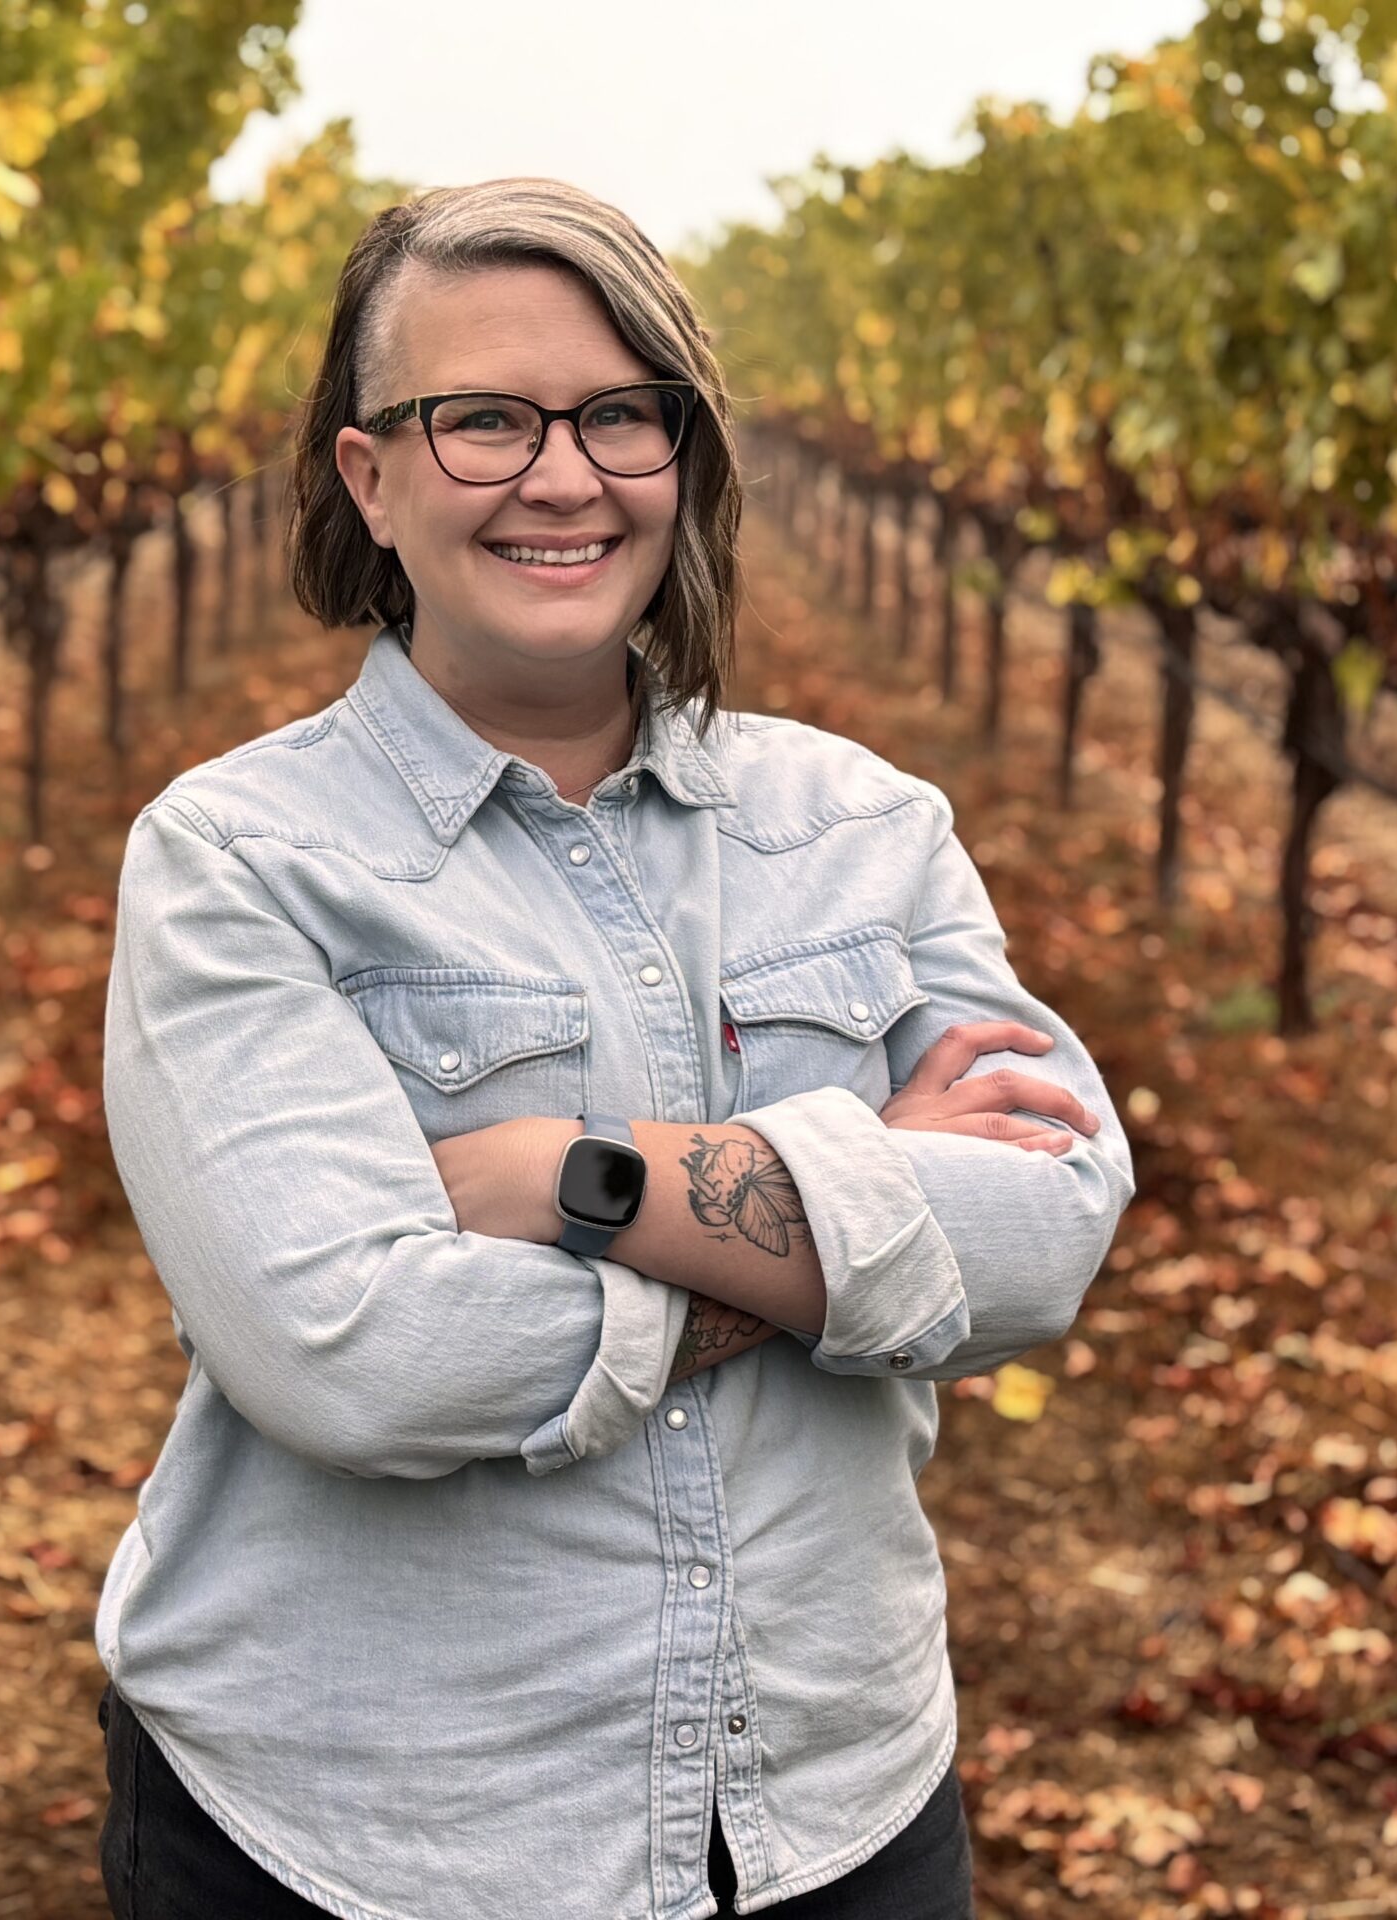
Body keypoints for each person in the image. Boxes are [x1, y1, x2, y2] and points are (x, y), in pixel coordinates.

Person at [91, 176, 1135, 1920]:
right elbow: (365, 1355)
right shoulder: (239, 858)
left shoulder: (860, 824)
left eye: (616, 415)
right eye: (482, 418)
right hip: (372, 1841)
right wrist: (842, 1245)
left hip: (833, 1809)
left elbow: (1048, 1232)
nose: (561, 476)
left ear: (683, 453)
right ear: (374, 475)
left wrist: (589, 1185)